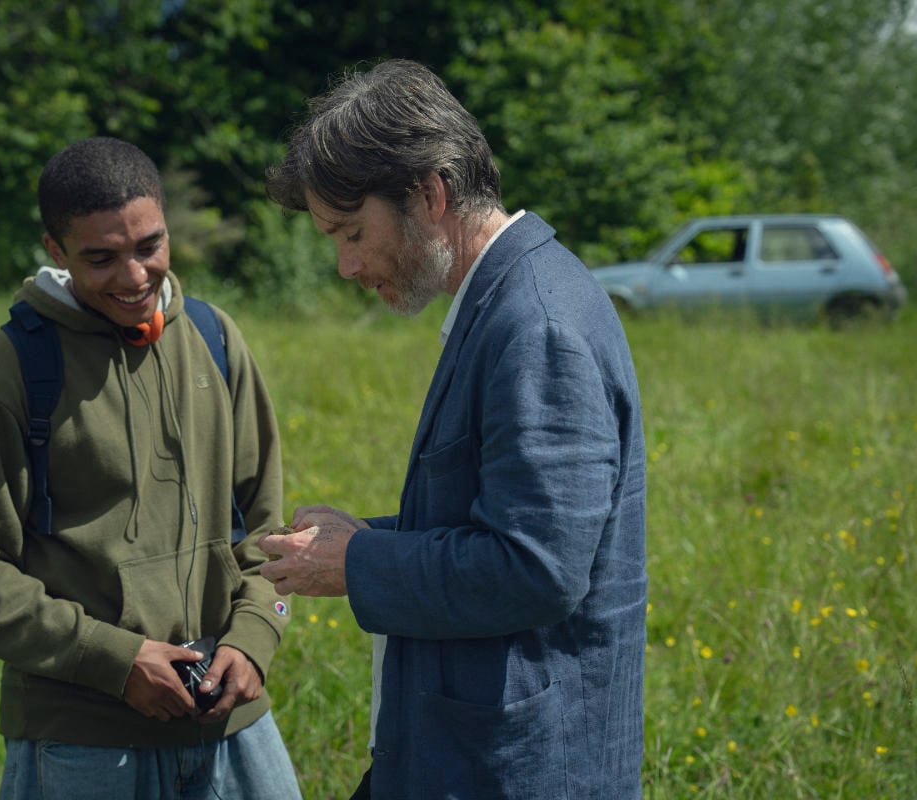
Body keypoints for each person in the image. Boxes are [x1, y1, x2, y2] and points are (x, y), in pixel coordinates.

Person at [260, 60, 647, 800]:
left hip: (516, 769)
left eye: (352, 232)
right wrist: (364, 537)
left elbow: (536, 568)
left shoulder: (538, 324)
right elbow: (494, 520)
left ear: (430, 195)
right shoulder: (503, 299)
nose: (344, 265)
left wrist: (358, 563)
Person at [0, 136, 302, 800]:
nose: (132, 277)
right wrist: (114, 662)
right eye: (100, 258)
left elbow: (267, 527)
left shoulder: (215, 340)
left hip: (233, 720)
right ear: (56, 250)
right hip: (84, 736)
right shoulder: (11, 369)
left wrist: (255, 637)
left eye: (149, 247)